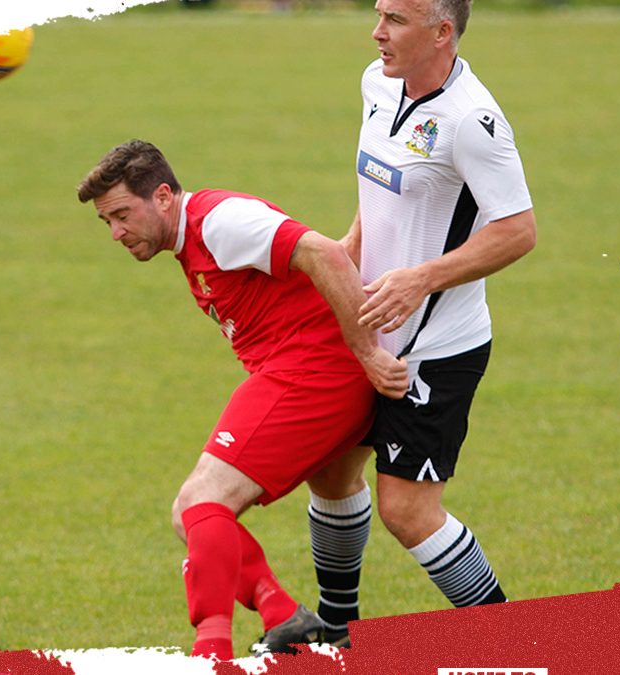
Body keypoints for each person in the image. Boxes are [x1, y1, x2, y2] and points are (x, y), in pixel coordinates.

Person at [76, 140, 408, 660]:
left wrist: (366, 353)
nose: (116, 233)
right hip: (309, 373)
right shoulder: (194, 238)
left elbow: (321, 252)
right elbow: (333, 255)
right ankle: (294, 618)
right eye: (107, 223)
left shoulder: (219, 221)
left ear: (162, 196)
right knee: (332, 488)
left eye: (122, 215)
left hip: (312, 375)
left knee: (198, 504)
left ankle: (213, 650)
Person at [303, 0, 537, 647]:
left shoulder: (473, 122)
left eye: (395, 20)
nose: (377, 31)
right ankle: (336, 631)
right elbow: (382, 182)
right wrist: (353, 245)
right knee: (330, 471)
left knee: (407, 510)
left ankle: (512, 642)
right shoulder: (375, 84)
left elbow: (518, 230)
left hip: (436, 349)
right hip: (368, 328)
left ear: (441, 32)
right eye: (378, 14)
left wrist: (420, 277)